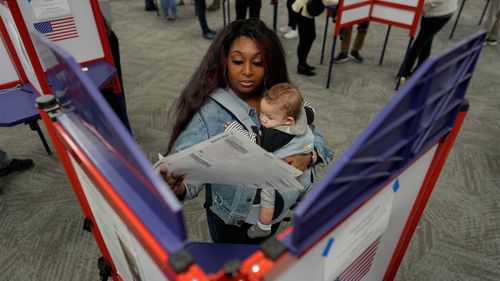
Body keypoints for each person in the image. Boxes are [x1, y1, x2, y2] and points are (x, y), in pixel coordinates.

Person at [161, 19, 334, 244]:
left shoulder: (278, 97)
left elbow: (313, 135)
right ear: (224, 61)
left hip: (275, 213)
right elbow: (191, 173)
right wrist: (179, 188)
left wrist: (309, 156)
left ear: (269, 64)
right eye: (238, 61)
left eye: (258, 63)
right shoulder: (208, 114)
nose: (247, 71)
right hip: (232, 223)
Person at [224, 83, 315, 239]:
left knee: (268, 189)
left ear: (288, 121)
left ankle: (264, 226)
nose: (263, 119)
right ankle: (305, 210)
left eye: (269, 117)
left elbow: (254, 142)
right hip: (306, 169)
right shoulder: (304, 114)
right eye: (262, 112)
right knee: (306, 193)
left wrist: (234, 129)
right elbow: (311, 109)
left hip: (284, 171)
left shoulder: (277, 135)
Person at [399, 0, 457, 85]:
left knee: (419, 42)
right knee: (426, 41)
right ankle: (421, 70)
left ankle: (404, 73)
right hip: (433, 11)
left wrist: (421, 3)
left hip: (439, 13)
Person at [292, 0, 336, 76]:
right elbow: (330, 1)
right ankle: (301, 66)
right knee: (305, 40)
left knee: (311, 36)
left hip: (307, 11)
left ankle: (303, 62)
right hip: (302, 12)